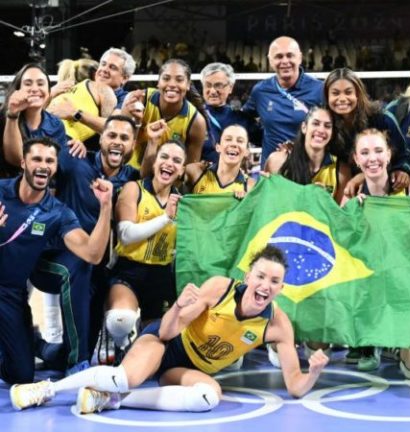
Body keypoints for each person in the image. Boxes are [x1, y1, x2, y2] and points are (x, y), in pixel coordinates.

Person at [10, 246, 330, 413]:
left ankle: (113, 401)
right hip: (166, 343)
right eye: (261, 277)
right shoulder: (219, 288)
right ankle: (46, 390)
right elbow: (165, 332)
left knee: (208, 397)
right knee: (122, 377)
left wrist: (313, 372)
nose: (265, 285)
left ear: (281, 288)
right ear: (248, 277)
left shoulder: (277, 324)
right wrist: (178, 307)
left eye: (274, 282)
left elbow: (295, 388)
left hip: (185, 370)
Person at [4, 115, 139, 374]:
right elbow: (35, 141)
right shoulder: (75, 160)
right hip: (47, 260)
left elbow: (94, 253)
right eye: (111, 135)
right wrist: (17, 112)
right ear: (100, 138)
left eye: (125, 137)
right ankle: (78, 363)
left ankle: (45, 347)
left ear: (133, 144)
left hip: (90, 262)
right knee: (77, 267)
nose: (117, 141)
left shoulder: (133, 179)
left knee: (35, 365)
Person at [341, 129, 410, 373]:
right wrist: (351, 218)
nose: (373, 158)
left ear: (389, 155)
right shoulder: (351, 200)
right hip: (369, 288)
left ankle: (398, 341)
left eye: (379, 151)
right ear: (357, 160)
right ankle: (368, 339)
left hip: (404, 288)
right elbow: (343, 251)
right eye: (365, 153)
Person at [104, 139, 186, 361]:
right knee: (120, 319)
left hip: (161, 275)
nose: (170, 163)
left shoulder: (185, 202)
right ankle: (122, 343)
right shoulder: (134, 188)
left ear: (182, 169)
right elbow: (126, 235)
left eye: (177, 161)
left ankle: (139, 340)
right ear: (155, 161)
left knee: (162, 337)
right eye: (165, 157)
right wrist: (165, 218)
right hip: (128, 268)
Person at [324, 68, 410, 192]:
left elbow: (404, 155)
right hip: (345, 184)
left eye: (348, 92)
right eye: (335, 93)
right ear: (327, 96)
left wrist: (401, 170)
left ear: (358, 94)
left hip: (383, 178)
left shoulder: (382, 118)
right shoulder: (326, 124)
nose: (342, 98)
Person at [242, 36, 324, 169]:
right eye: (279, 56)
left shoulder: (319, 89)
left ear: (300, 58)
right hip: (272, 173)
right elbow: (243, 119)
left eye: (290, 55)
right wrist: (262, 138)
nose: (285, 61)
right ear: (270, 60)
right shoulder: (261, 91)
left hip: (309, 171)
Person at [121, 58, 207, 169]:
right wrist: (136, 122)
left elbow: (189, 170)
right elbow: (121, 149)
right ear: (158, 82)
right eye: (166, 78)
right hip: (129, 172)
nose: (172, 84)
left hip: (167, 180)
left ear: (188, 85)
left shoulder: (196, 122)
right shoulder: (137, 100)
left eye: (179, 80)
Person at [265, 107, 351, 204]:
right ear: (304, 127)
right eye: (315, 123)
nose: (321, 130)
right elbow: (266, 204)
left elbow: (337, 213)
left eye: (327, 126)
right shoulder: (277, 161)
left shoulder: (341, 172)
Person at [3, 64, 75, 172]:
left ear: (49, 91)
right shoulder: (5, 117)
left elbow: (57, 165)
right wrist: (13, 115)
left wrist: (77, 146)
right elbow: (16, 160)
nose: (35, 89)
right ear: (17, 89)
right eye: (28, 84)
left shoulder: (55, 124)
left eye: (41, 84)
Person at [47, 58, 118, 150]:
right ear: (94, 74)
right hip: (59, 142)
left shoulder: (57, 93)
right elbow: (113, 130)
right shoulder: (102, 89)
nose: (104, 72)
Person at [198, 62, 256, 163]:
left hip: (234, 177)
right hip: (202, 177)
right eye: (207, 85)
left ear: (230, 87)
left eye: (218, 86)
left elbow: (267, 139)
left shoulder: (241, 117)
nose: (212, 91)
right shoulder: (194, 116)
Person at [183, 123, 256, 195]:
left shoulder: (251, 187)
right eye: (228, 139)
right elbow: (174, 178)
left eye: (240, 141)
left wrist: (247, 202)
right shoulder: (196, 172)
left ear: (247, 151)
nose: (234, 144)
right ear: (218, 147)